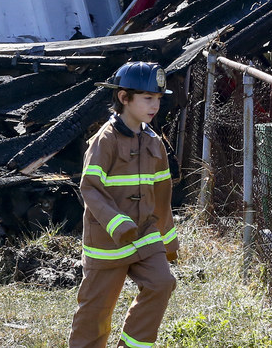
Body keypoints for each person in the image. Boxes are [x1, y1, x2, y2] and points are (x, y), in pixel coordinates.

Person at [68, 61, 178, 348]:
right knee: (96, 311)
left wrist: (168, 238)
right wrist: (118, 224)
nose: (154, 105)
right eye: (147, 98)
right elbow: (90, 188)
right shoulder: (104, 141)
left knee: (162, 283)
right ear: (124, 98)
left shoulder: (154, 142)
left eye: (157, 99)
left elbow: (163, 194)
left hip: (145, 235)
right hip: (107, 240)